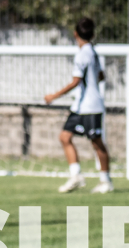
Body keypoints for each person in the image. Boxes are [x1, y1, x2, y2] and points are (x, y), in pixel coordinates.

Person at [44, 17, 113, 194]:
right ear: (93, 34)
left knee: (97, 143)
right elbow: (101, 76)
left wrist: (54, 96)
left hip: (90, 106)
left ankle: (106, 181)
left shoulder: (82, 54)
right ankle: (76, 176)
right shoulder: (93, 52)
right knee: (65, 137)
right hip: (80, 106)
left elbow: (75, 81)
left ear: (75, 34)